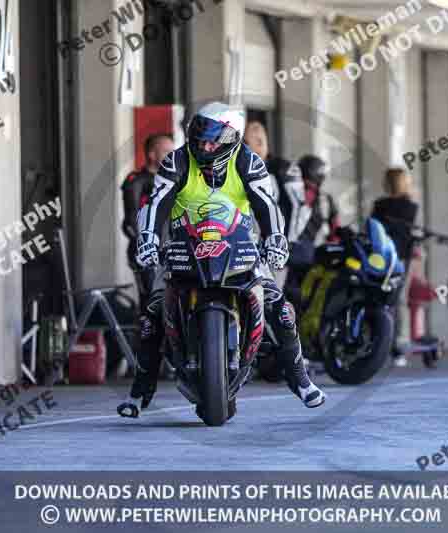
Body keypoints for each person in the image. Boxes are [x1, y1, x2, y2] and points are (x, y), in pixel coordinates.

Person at [117, 102, 325, 419]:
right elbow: (157, 203)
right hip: (182, 246)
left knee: (281, 309)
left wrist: (276, 240)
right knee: (151, 315)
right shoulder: (175, 161)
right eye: (199, 140)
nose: (204, 146)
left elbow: (267, 206)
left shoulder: (248, 162)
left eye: (213, 141)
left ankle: (300, 380)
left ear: (231, 139)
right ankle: (139, 391)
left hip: (239, 245)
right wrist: (148, 239)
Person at [371, 168, 420, 368]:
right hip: (400, 257)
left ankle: (385, 343)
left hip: (383, 256)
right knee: (397, 299)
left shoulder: (381, 205)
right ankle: (397, 344)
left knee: (383, 298)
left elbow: (374, 227)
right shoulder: (410, 206)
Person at [121, 133, 175, 305]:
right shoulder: (137, 181)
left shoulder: (175, 181)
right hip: (148, 253)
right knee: (153, 302)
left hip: (174, 251)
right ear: (152, 154)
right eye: (167, 151)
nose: (172, 156)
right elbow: (131, 222)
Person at [282, 154, 341, 309]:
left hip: (283, 251)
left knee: (281, 296)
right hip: (310, 255)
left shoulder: (288, 191)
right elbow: (335, 231)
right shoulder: (325, 199)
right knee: (305, 298)